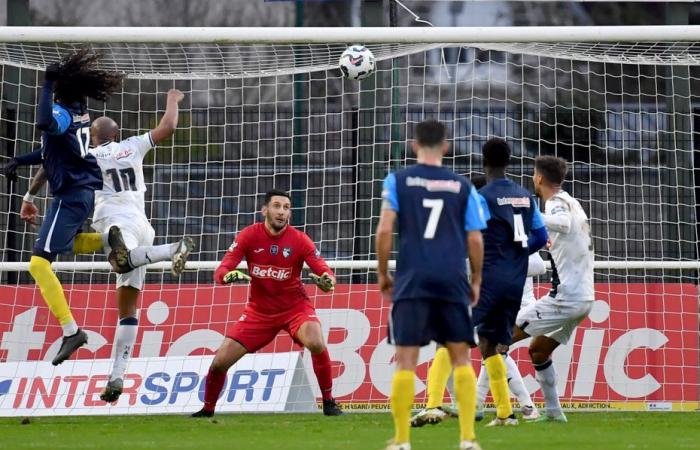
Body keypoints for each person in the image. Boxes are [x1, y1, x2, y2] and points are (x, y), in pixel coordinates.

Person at [2, 48, 125, 366]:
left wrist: (45, 83)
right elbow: (50, 152)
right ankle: (108, 238)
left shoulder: (60, 113)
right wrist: (20, 160)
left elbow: (44, 122)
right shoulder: (78, 110)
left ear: (59, 86)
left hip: (70, 196)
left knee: (39, 264)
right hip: (77, 193)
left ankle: (72, 331)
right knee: (63, 245)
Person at [376, 119, 488, 450]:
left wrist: (384, 274)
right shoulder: (463, 186)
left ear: (414, 146)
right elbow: (475, 239)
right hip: (452, 278)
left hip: (413, 278)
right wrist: (477, 278)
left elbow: (384, 230)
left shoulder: (398, 180)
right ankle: (468, 439)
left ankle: (401, 440)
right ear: (446, 146)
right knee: (461, 358)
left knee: (406, 359)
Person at [191, 189, 343, 418]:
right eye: (277, 206)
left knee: (316, 341)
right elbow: (221, 270)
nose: (282, 212)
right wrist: (227, 276)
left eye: (286, 207)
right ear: (265, 210)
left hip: (295, 308)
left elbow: (326, 274)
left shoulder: (300, 240)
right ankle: (207, 409)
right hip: (258, 313)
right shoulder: (249, 236)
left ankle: (329, 403)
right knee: (220, 362)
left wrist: (326, 282)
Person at [411, 173, 545, 427]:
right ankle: (502, 411)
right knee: (491, 348)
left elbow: (536, 265)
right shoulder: (512, 222)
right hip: (507, 297)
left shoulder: (483, 223)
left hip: (500, 298)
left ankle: (435, 406)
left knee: (448, 341)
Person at [87, 89, 195, 402]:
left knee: (121, 263)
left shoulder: (89, 157)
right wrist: (172, 100)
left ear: (94, 138)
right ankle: (117, 376)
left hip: (113, 222)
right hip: (141, 224)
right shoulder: (132, 145)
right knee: (128, 308)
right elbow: (168, 128)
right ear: (116, 134)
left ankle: (171, 249)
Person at [511, 155, 595, 423]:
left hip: (566, 298)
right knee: (538, 351)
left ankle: (495, 407)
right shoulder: (572, 201)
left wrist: (530, 214)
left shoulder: (556, 203)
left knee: (497, 338)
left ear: (538, 178)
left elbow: (563, 225)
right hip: (583, 298)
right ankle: (555, 413)